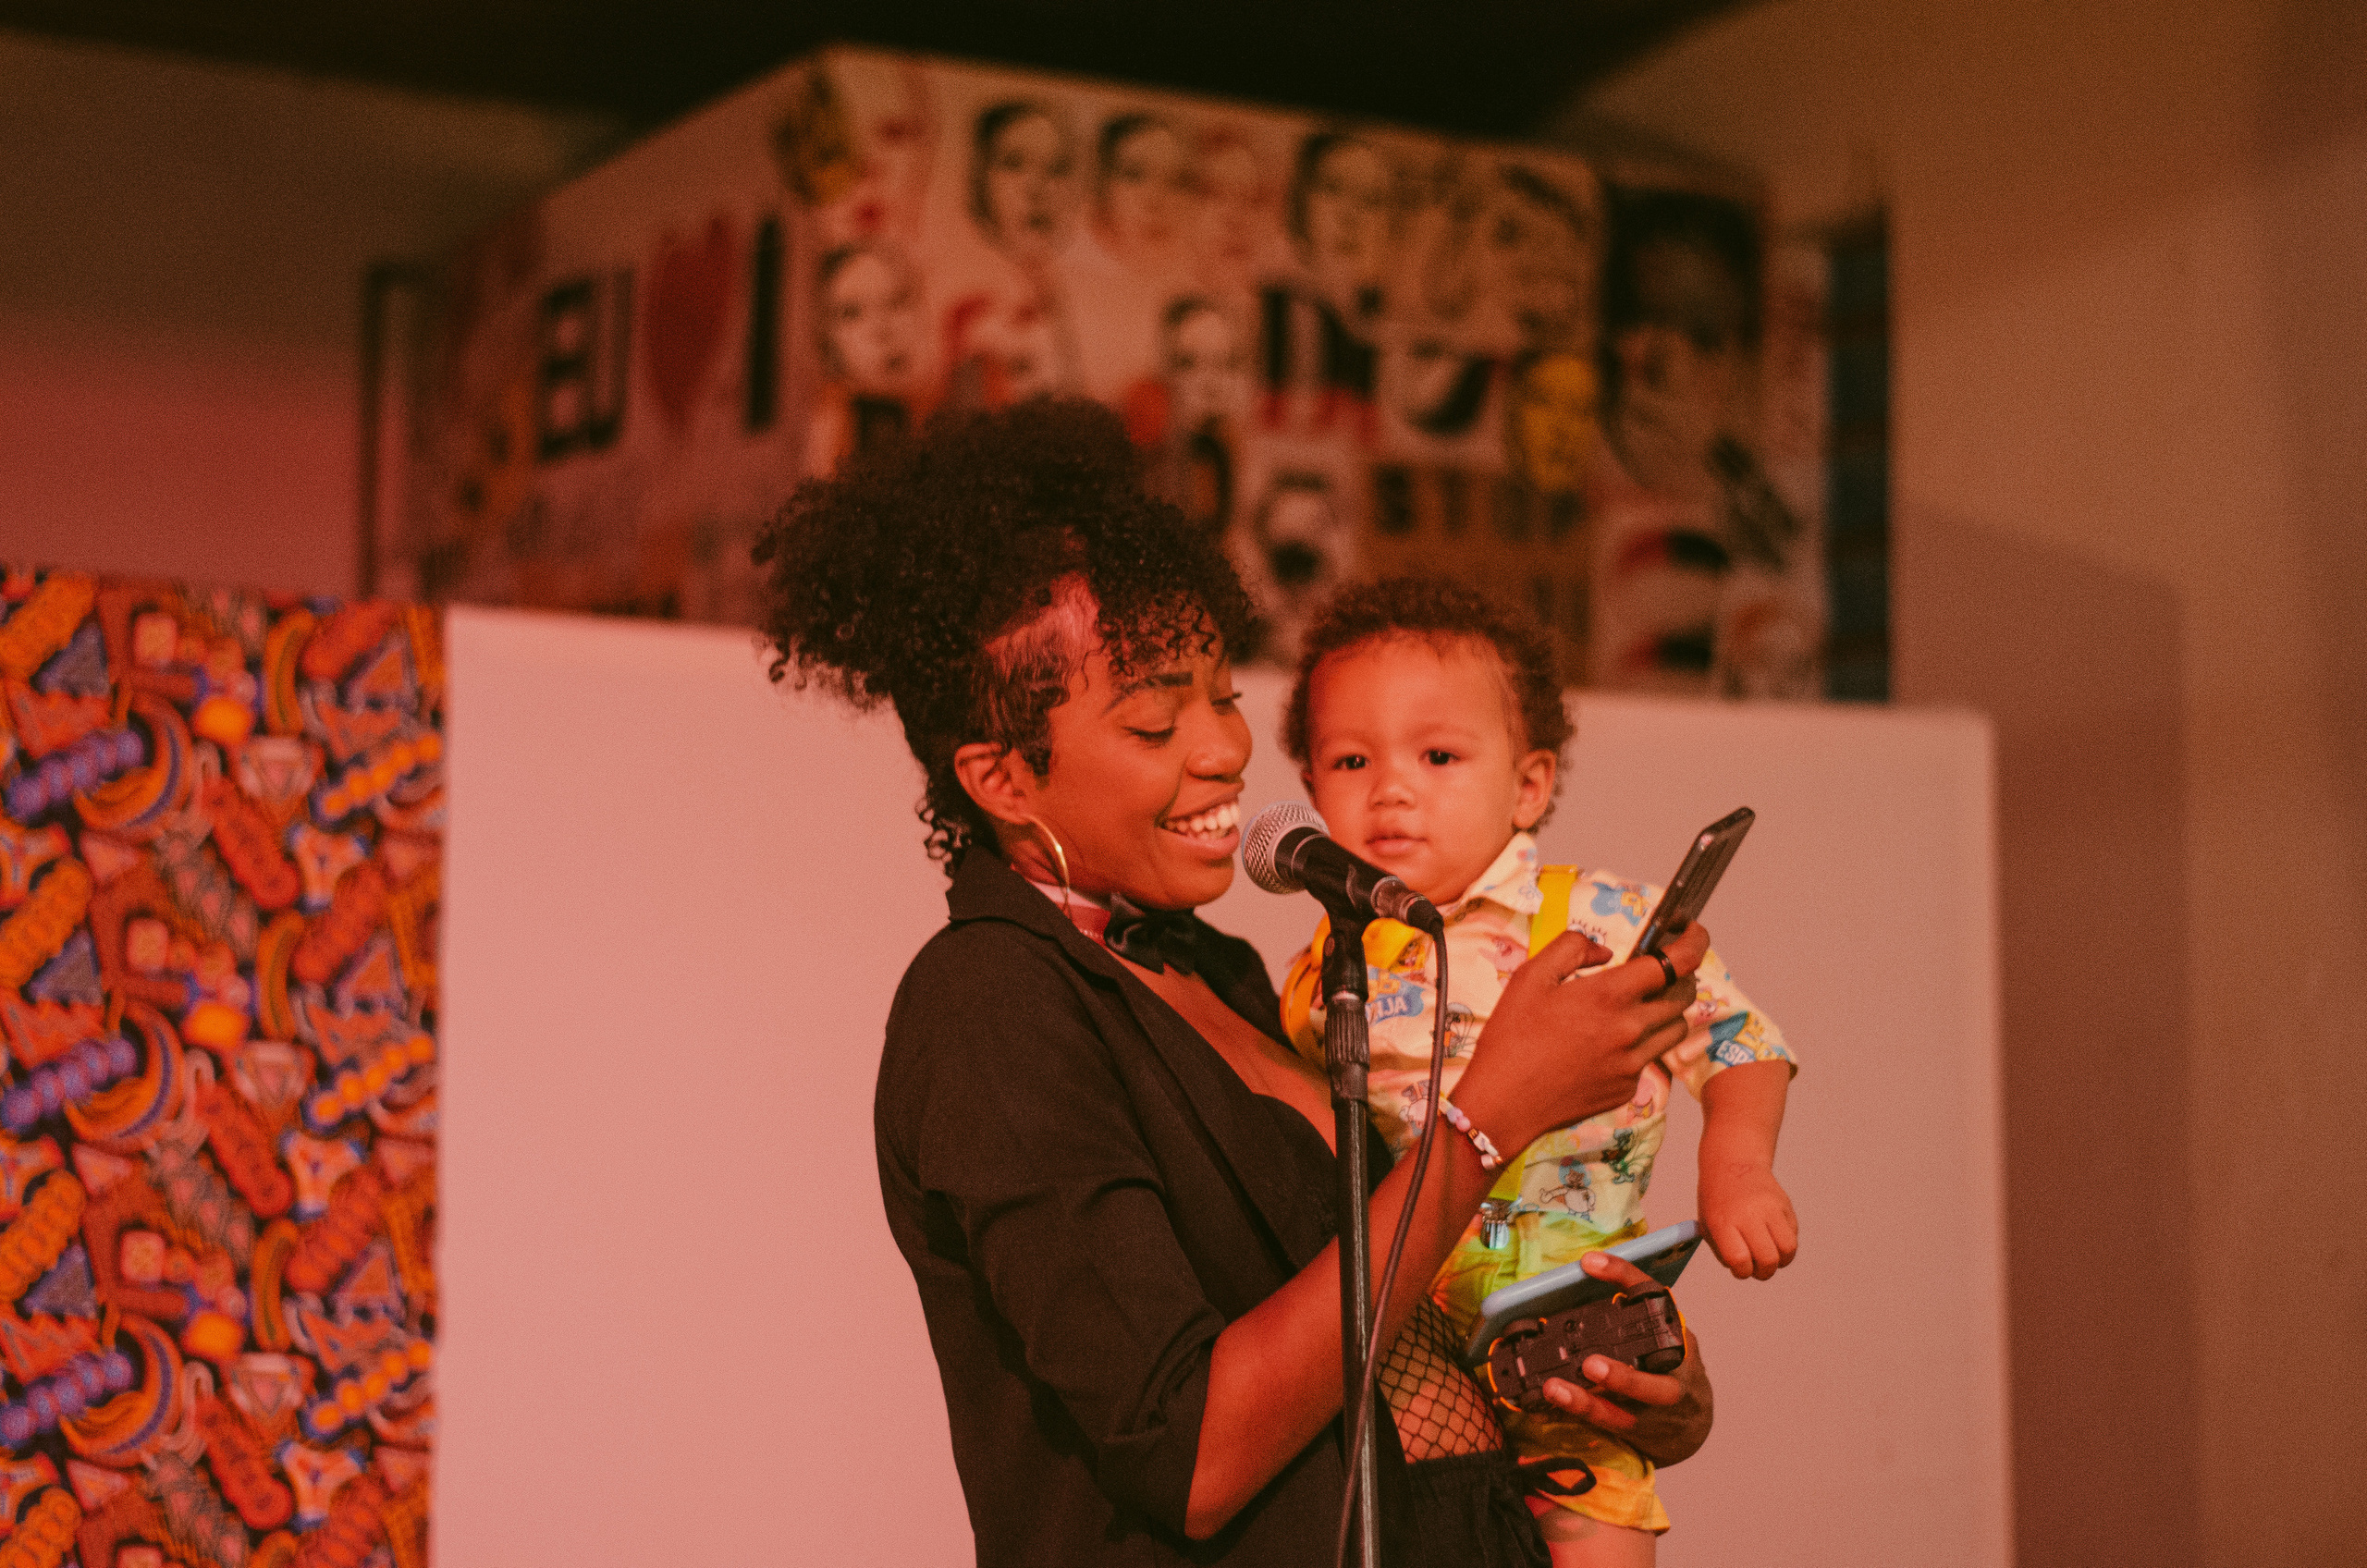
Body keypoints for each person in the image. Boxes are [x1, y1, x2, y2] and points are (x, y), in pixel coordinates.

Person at [753, 399, 1719, 1564]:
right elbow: (1193, 1451)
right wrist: (1491, 1114)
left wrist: (1630, 1392)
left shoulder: (1216, 964)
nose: (1224, 749)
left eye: (1218, 693)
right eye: (1156, 720)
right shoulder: (989, 1009)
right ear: (1003, 777)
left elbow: (1388, 1308)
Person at [1275, 577, 1798, 1565]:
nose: (1391, 787)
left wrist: (1736, 1165)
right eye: (1351, 759)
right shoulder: (1320, 974)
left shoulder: (1593, 917)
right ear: (1310, 788)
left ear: (1528, 784)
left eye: (1437, 755)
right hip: (1413, 1366)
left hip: (1575, 1332)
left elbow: (1738, 1041)